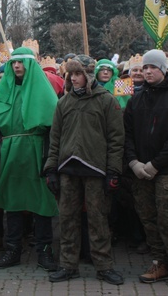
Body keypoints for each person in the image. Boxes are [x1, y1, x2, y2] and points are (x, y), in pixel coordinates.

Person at [44, 56, 125, 285]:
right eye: (71, 74)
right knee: (67, 219)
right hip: (67, 168)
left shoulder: (106, 101)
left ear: (88, 75)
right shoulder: (63, 103)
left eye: (78, 74)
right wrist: (51, 168)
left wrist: (113, 171)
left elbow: (116, 139)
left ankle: (104, 267)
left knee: (98, 220)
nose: (74, 78)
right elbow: (55, 139)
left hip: (95, 169)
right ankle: (68, 265)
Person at [0, 46, 59, 271]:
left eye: (21, 62)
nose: (16, 66)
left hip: (37, 150)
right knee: (12, 202)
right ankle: (12, 250)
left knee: (41, 203)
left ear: (30, 65)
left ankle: (44, 251)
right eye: (13, 62)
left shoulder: (43, 91)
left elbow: (52, 129)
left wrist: (49, 160)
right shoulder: (3, 91)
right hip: (11, 152)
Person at [124, 49, 168, 288]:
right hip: (140, 171)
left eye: (153, 67)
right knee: (149, 219)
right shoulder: (135, 100)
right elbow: (128, 135)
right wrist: (134, 163)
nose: (148, 71)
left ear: (164, 70)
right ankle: (158, 263)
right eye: (145, 67)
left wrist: (156, 164)